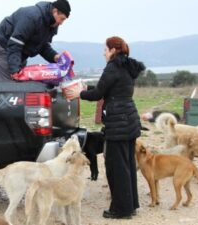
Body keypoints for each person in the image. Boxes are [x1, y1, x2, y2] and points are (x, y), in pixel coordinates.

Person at [65, 36, 145, 219]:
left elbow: (99, 94)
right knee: (128, 164)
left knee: (116, 167)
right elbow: (108, 87)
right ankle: (130, 205)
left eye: (105, 49)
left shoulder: (113, 67)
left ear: (113, 50)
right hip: (129, 119)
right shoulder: (126, 66)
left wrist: (80, 93)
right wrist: (87, 87)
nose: (103, 52)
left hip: (117, 122)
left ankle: (120, 210)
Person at [0, 0, 71, 81]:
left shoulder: (51, 24)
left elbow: (41, 45)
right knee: (9, 88)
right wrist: (15, 70)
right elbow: (15, 43)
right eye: (62, 19)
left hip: (18, 54)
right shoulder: (32, 17)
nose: (61, 23)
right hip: (1, 48)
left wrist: (54, 57)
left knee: (21, 86)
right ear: (55, 11)